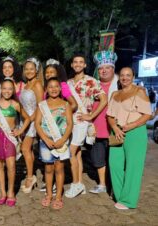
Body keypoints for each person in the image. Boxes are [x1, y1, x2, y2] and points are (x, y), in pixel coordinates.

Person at [107, 67, 151, 210]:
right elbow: (110, 115)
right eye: (122, 75)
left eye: (128, 75)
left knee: (133, 166)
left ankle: (129, 201)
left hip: (136, 132)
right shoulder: (115, 94)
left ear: (133, 77)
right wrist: (114, 128)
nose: (125, 78)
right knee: (114, 164)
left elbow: (147, 115)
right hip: (117, 131)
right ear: (119, 77)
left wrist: (131, 125)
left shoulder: (140, 92)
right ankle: (121, 197)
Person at [65, 54, 107, 198]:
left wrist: (91, 115)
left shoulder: (91, 80)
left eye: (81, 62)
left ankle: (75, 184)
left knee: (71, 150)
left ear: (84, 65)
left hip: (82, 121)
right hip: (70, 122)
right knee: (76, 154)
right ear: (71, 64)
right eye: (75, 62)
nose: (77, 64)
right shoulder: (68, 82)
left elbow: (104, 99)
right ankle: (80, 185)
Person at [0, 78, 30, 206]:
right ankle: (3, 193)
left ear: (13, 90)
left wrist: (20, 130)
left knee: (11, 166)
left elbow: (27, 118)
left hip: (9, 137)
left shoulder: (15, 104)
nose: (7, 91)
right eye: (4, 88)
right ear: (1, 90)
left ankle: (11, 192)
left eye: (10, 88)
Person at [35, 77, 73, 209]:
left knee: (59, 168)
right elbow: (37, 124)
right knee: (48, 168)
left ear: (60, 88)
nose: (53, 89)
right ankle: (49, 194)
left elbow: (69, 124)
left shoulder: (66, 104)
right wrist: (45, 139)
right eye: (50, 87)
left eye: (56, 86)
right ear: (46, 89)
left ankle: (58, 197)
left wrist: (63, 140)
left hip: (61, 141)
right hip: (46, 142)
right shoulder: (42, 105)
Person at [88, 51, 118, 194]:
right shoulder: (93, 85)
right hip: (97, 129)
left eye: (107, 67)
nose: (104, 70)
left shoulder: (120, 85)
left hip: (114, 130)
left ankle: (115, 185)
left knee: (115, 160)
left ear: (113, 69)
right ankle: (102, 184)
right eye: (101, 68)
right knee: (98, 160)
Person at [19, 57, 44, 193]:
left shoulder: (37, 85)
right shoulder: (25, 85)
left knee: (24, 148)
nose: (29, 71)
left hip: (33, 121)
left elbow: (40, 107)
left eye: (31, 69)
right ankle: (32, 173)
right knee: (28, 150)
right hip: (25, 120)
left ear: (36, 70)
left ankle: (30, 177)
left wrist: (30, 121)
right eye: (26, 69)